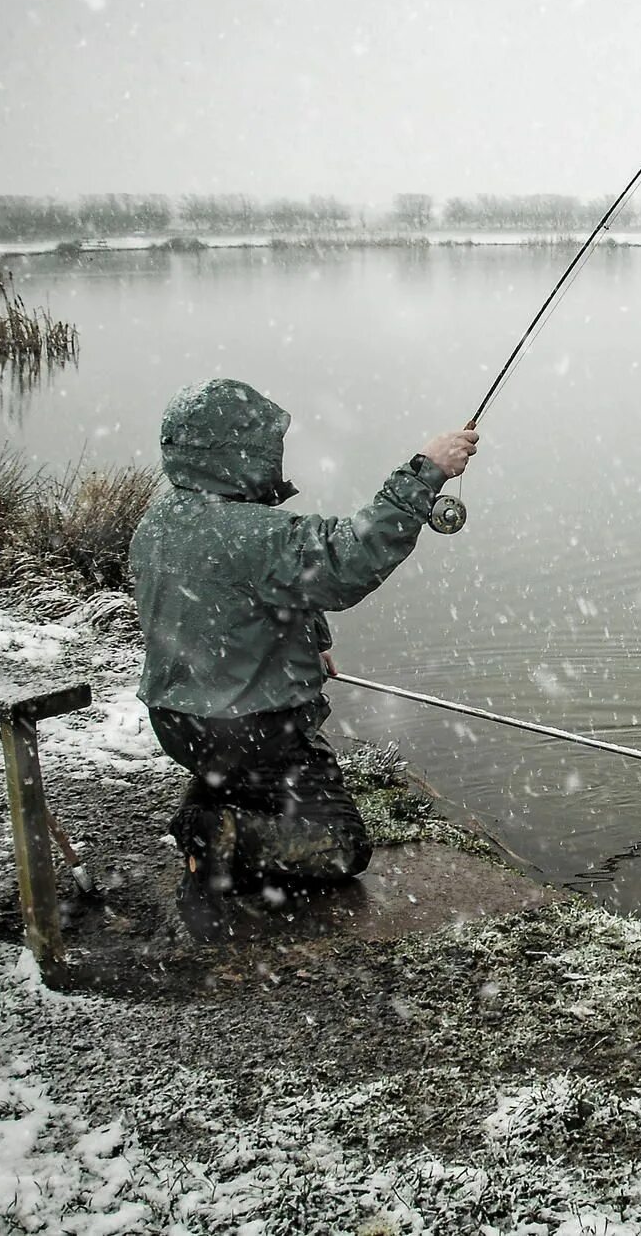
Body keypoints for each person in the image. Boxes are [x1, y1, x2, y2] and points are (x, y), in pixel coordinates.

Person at [130, 377, 476, 923]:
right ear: (239, 454)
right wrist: (426, 470)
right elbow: (348, 559)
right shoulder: (256, 532)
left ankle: (214, 799)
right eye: (268, 447)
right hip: (253, 731)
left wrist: (309, 643)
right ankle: (223, 836)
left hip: (177, 723)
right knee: (339, 845)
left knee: (235, 773)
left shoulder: (161, 521)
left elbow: (235, 600)